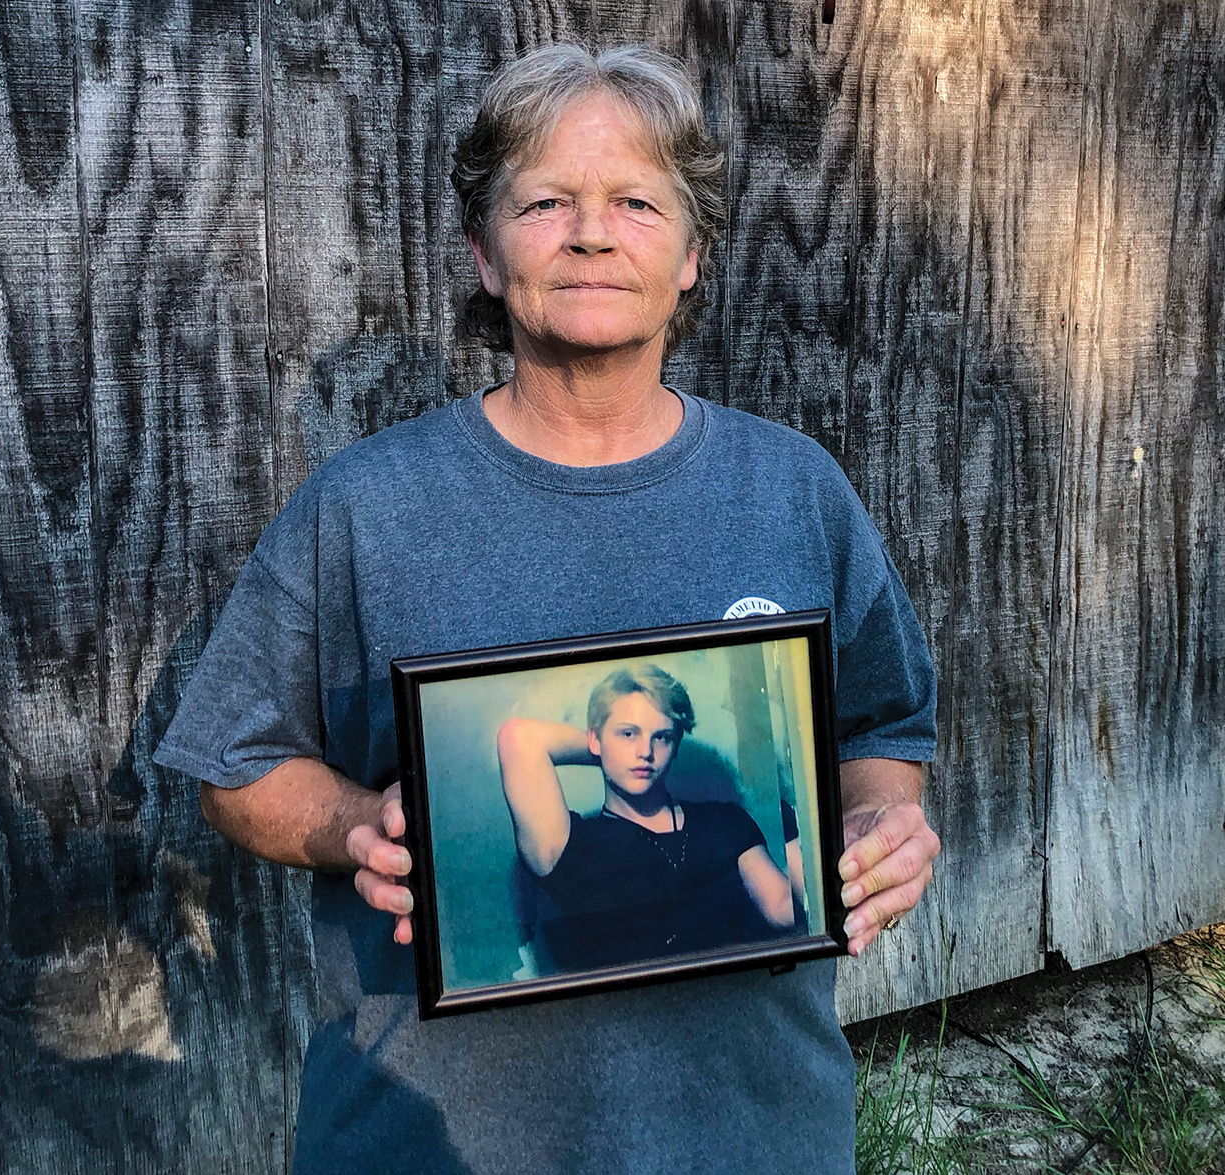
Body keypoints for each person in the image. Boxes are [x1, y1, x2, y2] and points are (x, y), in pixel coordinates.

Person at [154, 41, 940, 1175]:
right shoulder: (365, 509)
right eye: (545, 201)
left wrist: (875, 828)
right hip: (436, 1133)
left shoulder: (794, 490)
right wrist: (354, 826)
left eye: (634, 201)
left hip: (750, 1129)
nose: (589, 232)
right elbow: (235, 760)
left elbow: (879, 728)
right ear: (484, 250)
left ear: (692, 255)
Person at [499, 664, 799, 972]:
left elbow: (783, 910)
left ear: (677, 744)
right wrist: (605, 750)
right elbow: (518, 737)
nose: (646, 751)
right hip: (621, 1018)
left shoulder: (723, 821)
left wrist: (796, 826)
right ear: (595, 738)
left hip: (731, 1007)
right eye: (628, 733)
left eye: (663, 737)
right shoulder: (568, 845)